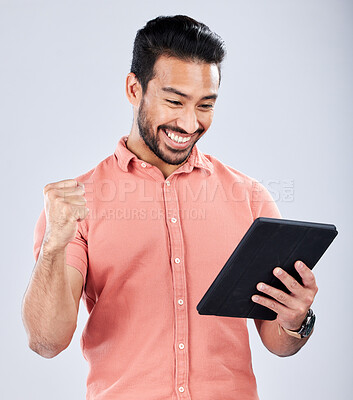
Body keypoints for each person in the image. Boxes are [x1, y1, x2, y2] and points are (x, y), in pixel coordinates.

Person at [22, 15, 318, 400]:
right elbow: (46, 342)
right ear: (134, 88)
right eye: (174, 101)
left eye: (205, 105)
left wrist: (297, 319)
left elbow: (278, 342)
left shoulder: (250, 198)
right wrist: (52, 248)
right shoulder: (79, 202)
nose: (190, 122)